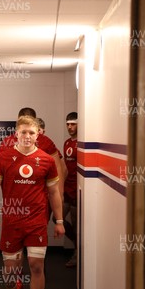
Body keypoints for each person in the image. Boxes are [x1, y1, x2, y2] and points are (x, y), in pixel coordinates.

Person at [0, 115, 65, 289]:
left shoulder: (47, 161)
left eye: (32, 132)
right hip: (12, 221)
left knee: (37, 265)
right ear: (16, 134)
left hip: (37, 221)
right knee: (11, 272)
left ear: (38, 134)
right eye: (23, 132)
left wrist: (59, 221)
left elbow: (53, 193)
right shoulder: (3, 157)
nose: (27, 136)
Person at [0, 108, 67, 200]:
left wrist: (59, 193)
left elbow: (58, 167)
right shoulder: (7, 142)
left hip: (40, 197)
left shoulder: (45, 141)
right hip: (14, 198)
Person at [62, 112, 78, 267]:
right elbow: (65, 168)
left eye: (72, 124)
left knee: (75, 223)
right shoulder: (67, 143)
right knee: (57, 218)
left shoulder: (82, 143)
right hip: (66, 188)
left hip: (76, 190)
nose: (70, 127)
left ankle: (77, 253)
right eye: (67, 124)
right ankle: (76, 243)